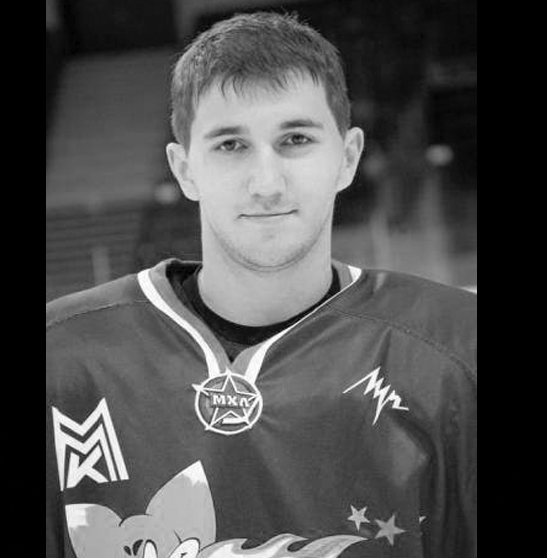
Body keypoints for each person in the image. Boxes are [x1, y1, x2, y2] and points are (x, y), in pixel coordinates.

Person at [47, 11, 476, 558]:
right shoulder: (63, 356)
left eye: (295, 139)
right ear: (184, 169)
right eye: (231, 145)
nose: (266, 183)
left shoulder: (457, 350)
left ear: (347, 158)